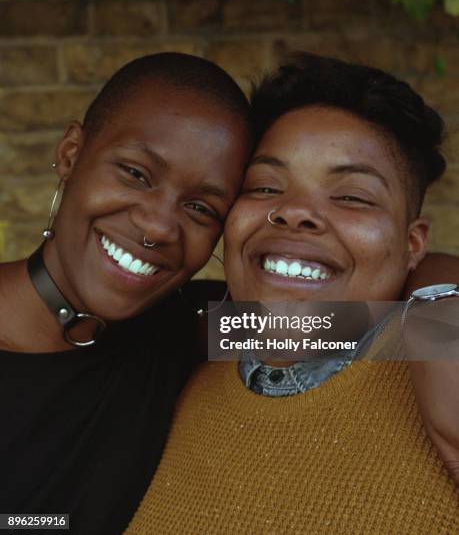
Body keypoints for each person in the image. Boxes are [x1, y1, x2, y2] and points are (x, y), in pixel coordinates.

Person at [127, 53, 459, 534]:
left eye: (351, 196)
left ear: (412, 245)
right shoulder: (180, 367)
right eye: (264, 187)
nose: (295, 211)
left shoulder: (444, 383)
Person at [0, 53, 252, 534]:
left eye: (200, 207)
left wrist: (437, 288)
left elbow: (373, 328)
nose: (158, 225)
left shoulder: (187, 330)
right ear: (72, 154)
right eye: (135, 174)